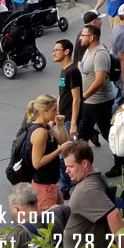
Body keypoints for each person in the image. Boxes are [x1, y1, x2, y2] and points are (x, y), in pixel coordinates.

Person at [61, 141, 123, 248]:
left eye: (70, 166)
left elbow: (114, 215)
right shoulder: (95, 176)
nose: (67, 171)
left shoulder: (87, 189)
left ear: (84, 164)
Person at [77, 25, 117, 164]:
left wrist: (84, 96)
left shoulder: (99, 53)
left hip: (100, 102)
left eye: (83, 35)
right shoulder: (88, 51)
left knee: (107, 132)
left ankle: (120, 162)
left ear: (92, 37)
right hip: (90, 102)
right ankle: (80, 163)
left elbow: (100, 80)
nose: (80, 38)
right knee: (82, 134)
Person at [52, 39, 81, 198]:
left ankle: (65, 190)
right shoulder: (64, 71)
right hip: (63, 118)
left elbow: (76, 99)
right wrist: (55, 113)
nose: (54, 53)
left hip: (71, 119)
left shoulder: (72, 71)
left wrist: (74, 123)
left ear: (66, 52)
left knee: (66, 156)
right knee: (64, 155)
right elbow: (62, 95)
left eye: (57, 50)